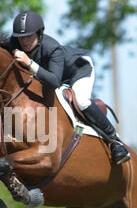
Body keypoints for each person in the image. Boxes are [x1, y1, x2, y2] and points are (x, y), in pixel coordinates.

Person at [10, 10, 130, 165]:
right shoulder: (15, 42)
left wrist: (29, 63)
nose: (24, 41)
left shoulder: (52, 48)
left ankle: (115, 142)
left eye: (28, 36)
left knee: (82, 101)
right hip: (54, 75)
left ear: (39, 33)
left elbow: (53, 81)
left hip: (78, 70)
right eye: (20, 37)